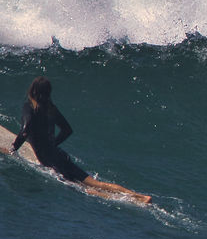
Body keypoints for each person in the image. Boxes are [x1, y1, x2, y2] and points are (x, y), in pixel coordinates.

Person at [9, 77, 151, 203]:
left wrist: (13, 150)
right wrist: (53, 144)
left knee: (82, 189)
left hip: (49, 159)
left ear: (32, 90)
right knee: (95, 183)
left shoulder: (29, 107)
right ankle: (138, 196)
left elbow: (25, 130)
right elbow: (67, 130)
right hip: (59, 154)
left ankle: (127, 201)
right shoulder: (51, 108)